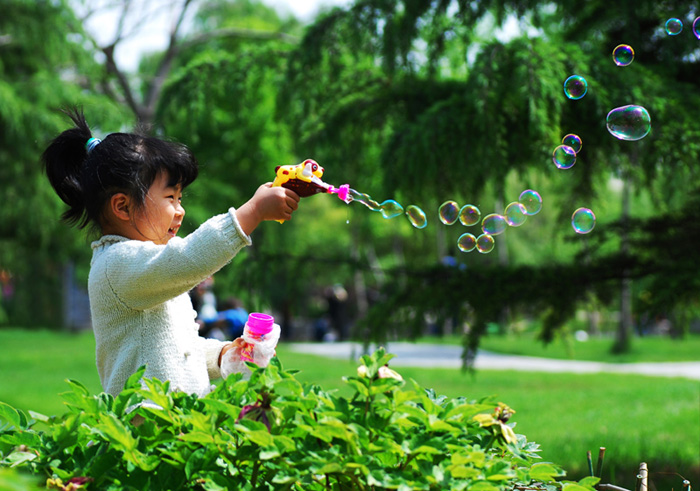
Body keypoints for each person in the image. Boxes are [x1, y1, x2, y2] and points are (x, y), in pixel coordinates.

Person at [42, 109, 300, 398]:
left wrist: (225, 354)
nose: (180, 210)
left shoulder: (148, 267)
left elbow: (180, 347)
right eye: (170, 198)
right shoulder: (115, 265)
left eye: (180, 198)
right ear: (123, 207)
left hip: (178, 428)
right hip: (147, 433)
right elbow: (189, 258)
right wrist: (252, 212)